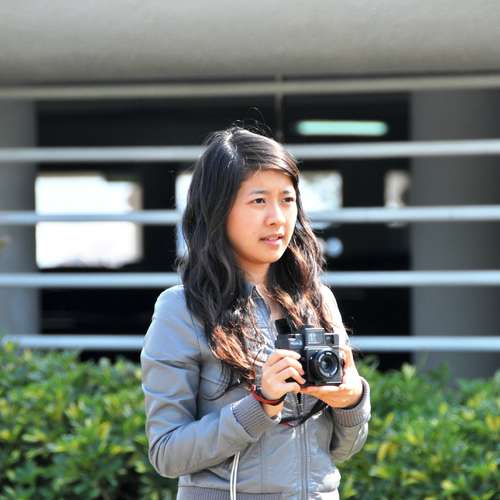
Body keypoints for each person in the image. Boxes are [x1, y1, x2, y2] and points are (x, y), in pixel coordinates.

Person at [140, 125, 371, 500]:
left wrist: (352, 400)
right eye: (259, 201)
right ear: (219, 209)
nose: (277, 217)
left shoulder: (318, 301)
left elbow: (342, 449)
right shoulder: (182, 309)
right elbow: (166, 454)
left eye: (287, 199)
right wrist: (261, 404)